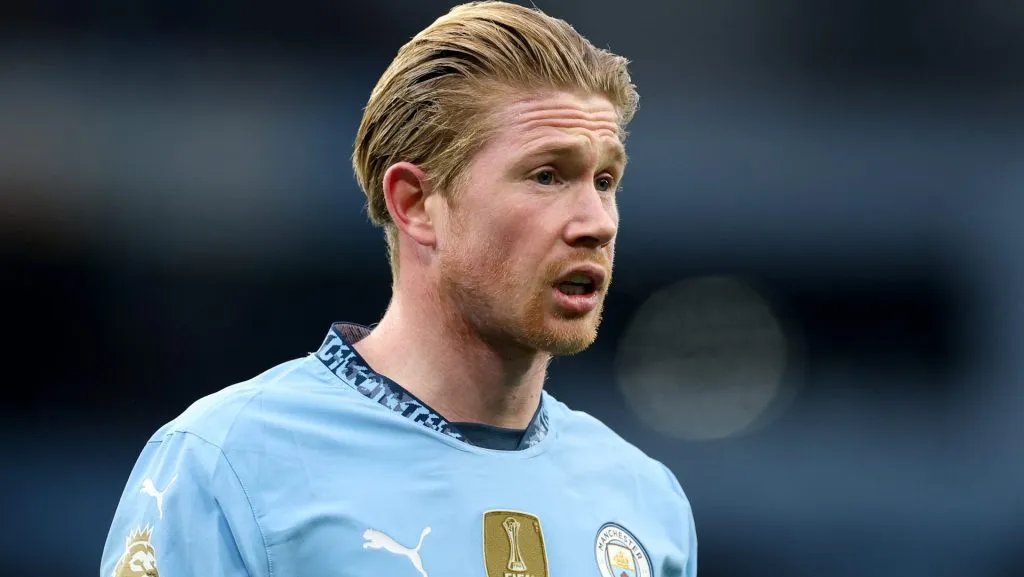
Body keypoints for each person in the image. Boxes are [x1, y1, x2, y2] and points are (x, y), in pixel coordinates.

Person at [100, 2, 697, 576]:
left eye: (605, 179)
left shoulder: (646, 502)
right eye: (547, 175)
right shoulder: (224, 464)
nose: (597, 221)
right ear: (414, 205)